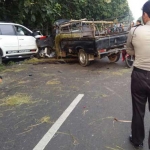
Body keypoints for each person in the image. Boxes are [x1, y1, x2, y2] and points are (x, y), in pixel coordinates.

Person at [126, 1, 150, 149]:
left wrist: (139, 53)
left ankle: (137, 140)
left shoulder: (134, 31)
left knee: (138, 111)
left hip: (139, 76)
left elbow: (129, 50)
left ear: (145, 15)